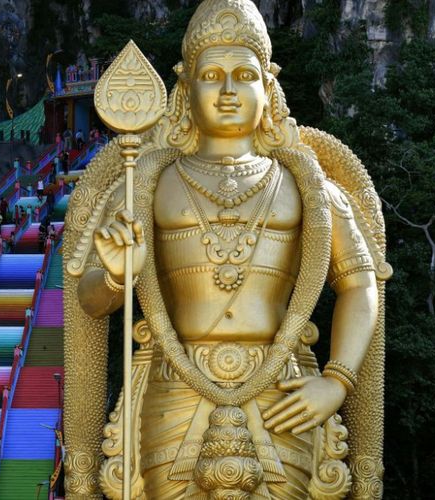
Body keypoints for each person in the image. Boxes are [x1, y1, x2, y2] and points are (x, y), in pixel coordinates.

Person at [63, 1, 389, 497]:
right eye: (212, 75)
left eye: (245, 75)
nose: (230, 90)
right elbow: (89, 302)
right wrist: (114, 276)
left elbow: (360, 283)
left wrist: (337, 380)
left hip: (283, 389)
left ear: (269, 86)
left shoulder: (308, 184)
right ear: (185, 87)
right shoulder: (145, 182)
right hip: (176, 386)